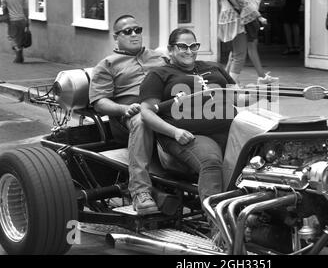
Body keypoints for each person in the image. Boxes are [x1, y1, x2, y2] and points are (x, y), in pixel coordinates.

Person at [140, 28, 258, 208]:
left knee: (263, 153)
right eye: (182, 46)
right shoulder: (159, 74)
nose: (189, 51)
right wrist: (175, 132)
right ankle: (218, 227)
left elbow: (238, 98)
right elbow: (147, 112)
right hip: (189, 135)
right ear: (170, 50)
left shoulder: (214, 67)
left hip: (230, 129)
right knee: (210, 161)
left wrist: (263, 91)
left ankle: (256, 213)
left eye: (193, 46)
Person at [89, 15, 167, 215]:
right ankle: (140, 192)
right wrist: (124, 109)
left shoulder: (159, 57)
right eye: (127, 31)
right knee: (142, 120)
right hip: (129, 116)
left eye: (137, 29)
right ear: (116, 37)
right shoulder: (107, 64)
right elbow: (99, 102)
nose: (134, 34)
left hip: (165, 107)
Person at [218, 0, 261, 85]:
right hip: (237, 23)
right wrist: (259, 17)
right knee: (240, 55)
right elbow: (245, 4)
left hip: (226, 22)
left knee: (235, 53)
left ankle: (228, 81)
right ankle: (231, 84)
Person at [239, 0, 279, 85]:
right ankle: (260, 77)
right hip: (249, 13)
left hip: (244, 12)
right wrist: (257, 15)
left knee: (239, 48)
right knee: (247, 47)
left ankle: (261, 76)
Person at [1, 0, 29, 64]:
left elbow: (4, 8)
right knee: (20, 38)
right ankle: (19, 55)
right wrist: (27, 19)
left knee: (13, 38)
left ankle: (19, 57)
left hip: (12, 20)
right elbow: (25, 8)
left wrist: (5, 17)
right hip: (22, 19)